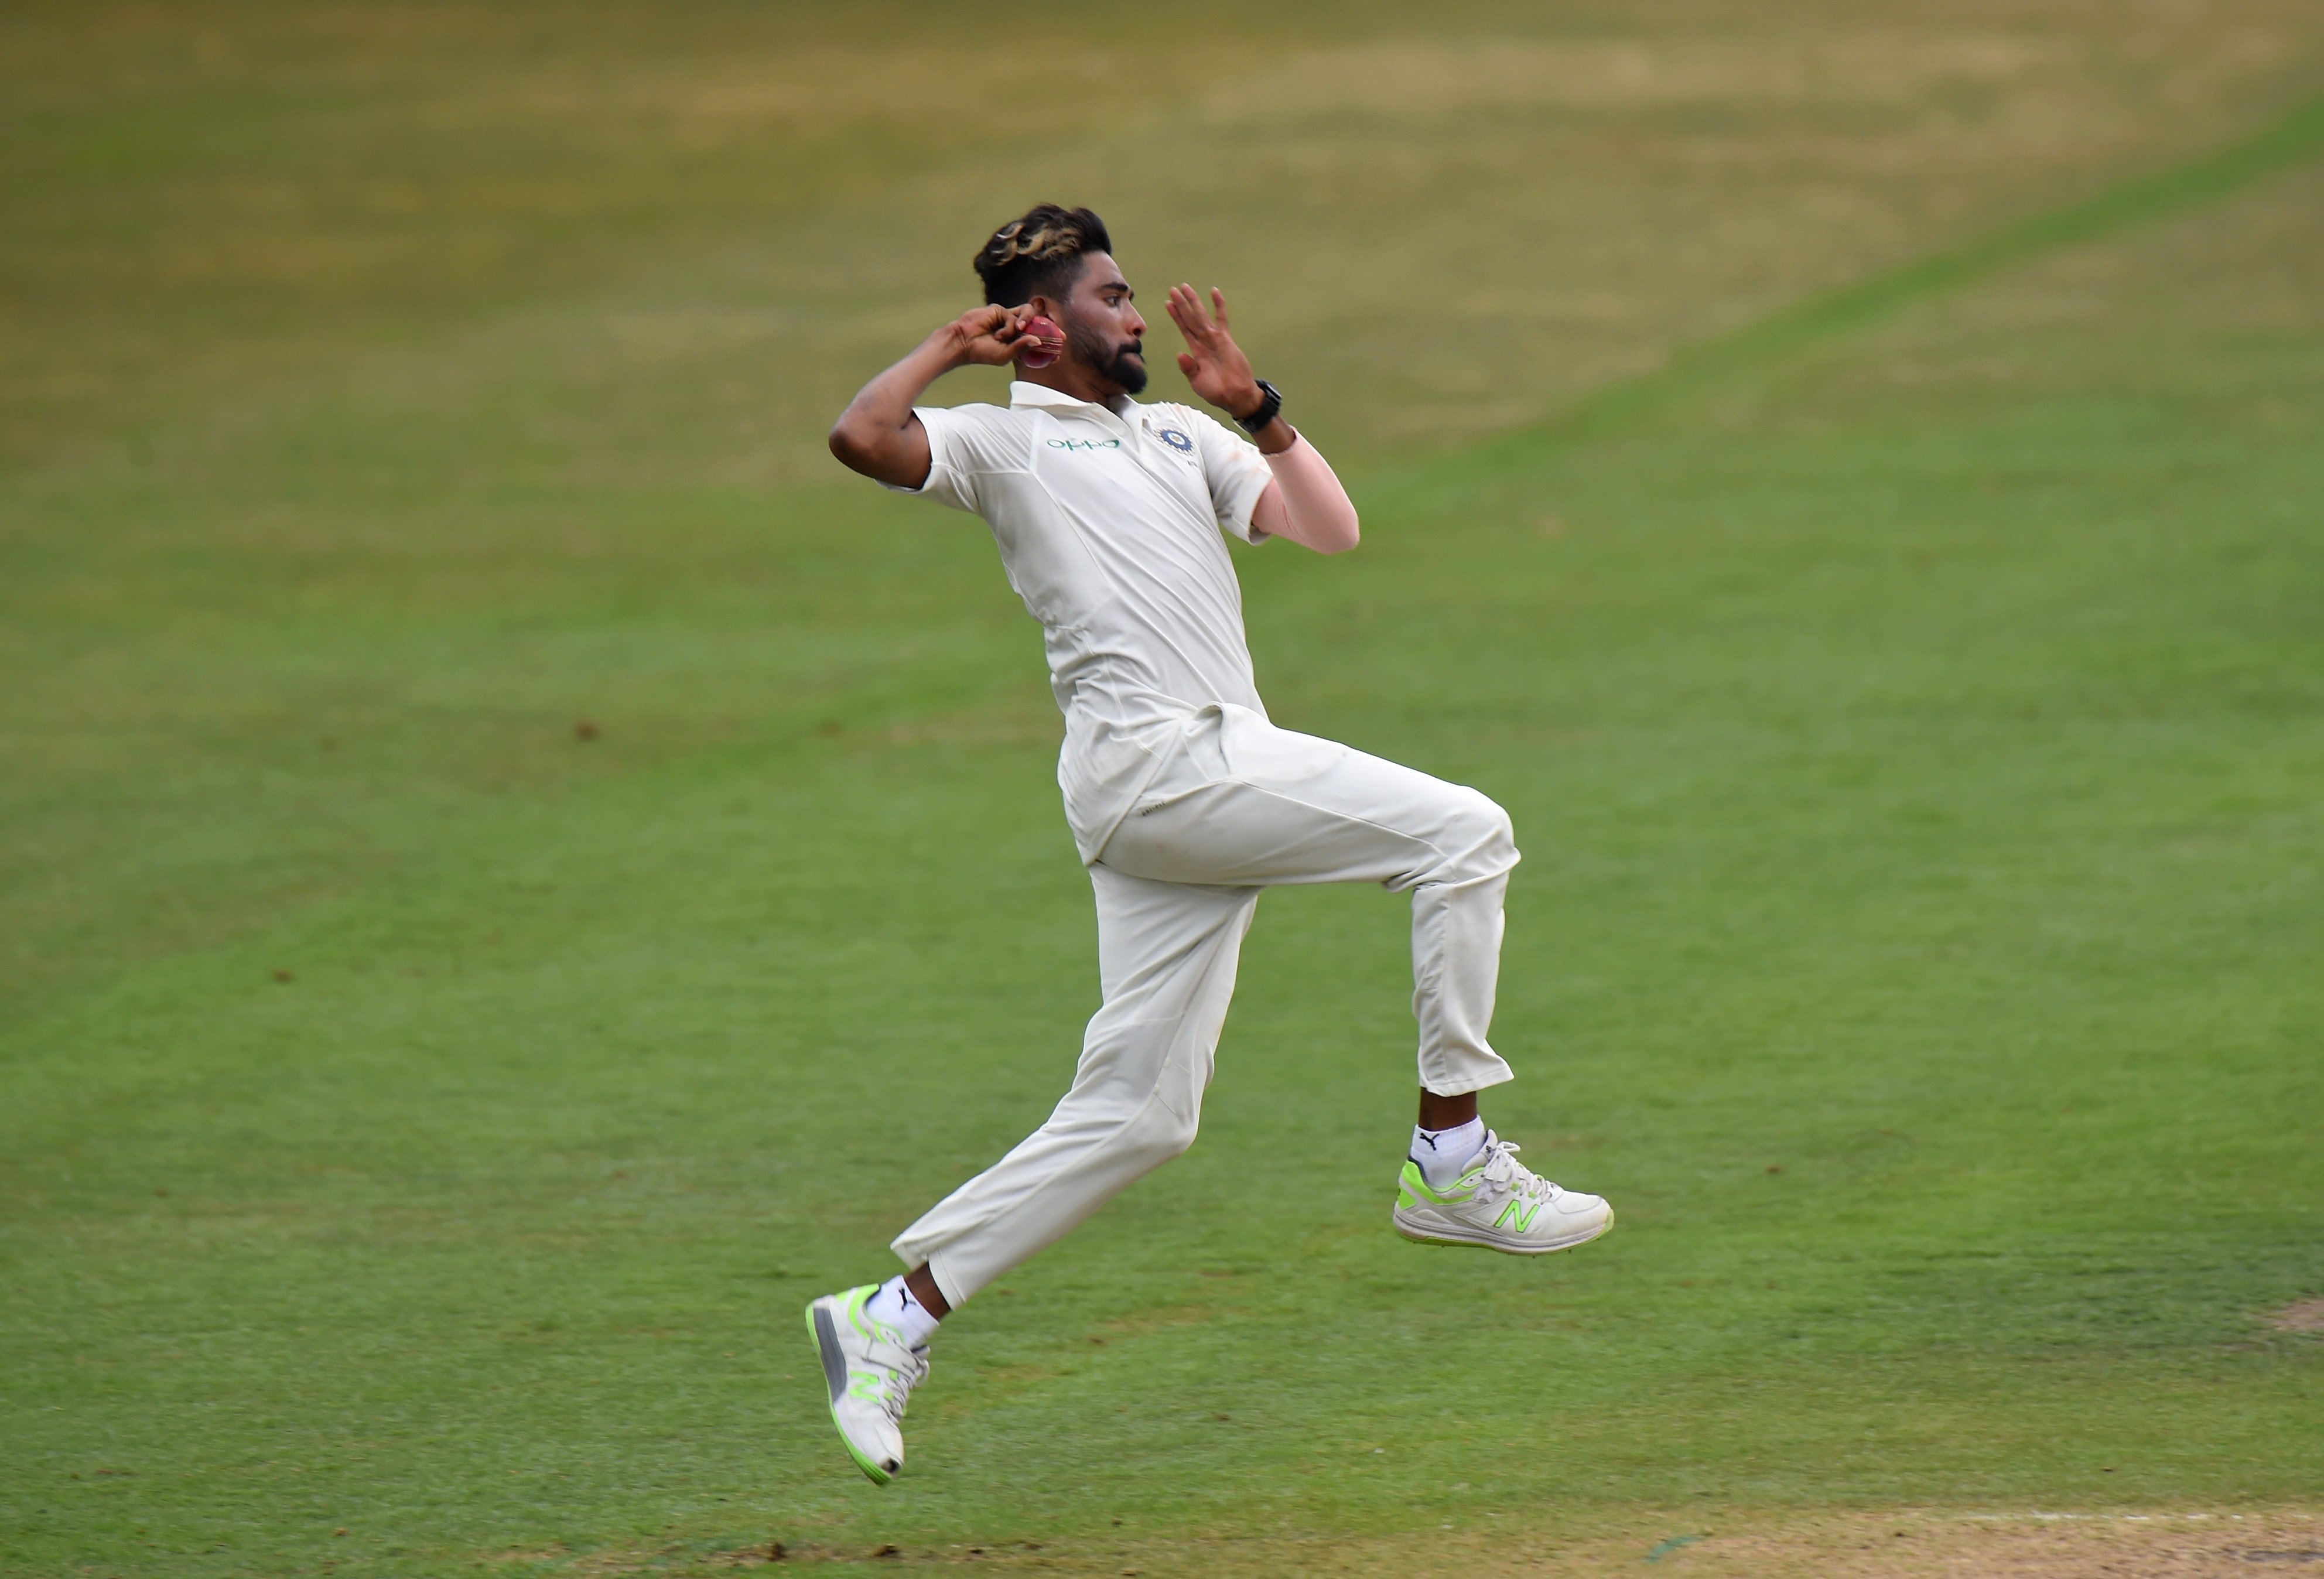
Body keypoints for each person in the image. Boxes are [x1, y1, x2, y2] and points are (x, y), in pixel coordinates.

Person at [808, 204, 1612, 1484]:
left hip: (1197, 778)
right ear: (1041, 325)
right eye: (1112, 297)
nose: (1135, 316)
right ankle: (1451, 1156)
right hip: (1165, 765)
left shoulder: (1179, 433)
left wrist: (1260, 407)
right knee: (1468, 832)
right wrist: (940, 350)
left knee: (1140, 1116)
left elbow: (1328, 529)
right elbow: (861, 436)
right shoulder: (999, 444)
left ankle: (890, 1316)